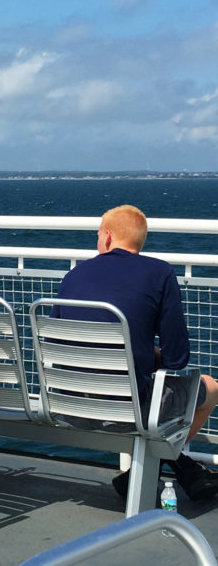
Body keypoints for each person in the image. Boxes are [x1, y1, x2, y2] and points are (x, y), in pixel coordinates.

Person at [54, 204, 218, 501]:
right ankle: (173, 468)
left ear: (106, 237)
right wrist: (151, 357)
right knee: (212, 388)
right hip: (129, 409)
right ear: (139, 241)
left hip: (70, 404)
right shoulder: (159, 273)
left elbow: (57, 345)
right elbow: (178, 358)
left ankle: (154, 474)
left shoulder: (73, 276)